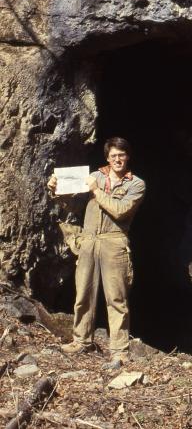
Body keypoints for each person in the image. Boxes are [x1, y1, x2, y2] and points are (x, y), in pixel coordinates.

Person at [48, 137, 145, 365]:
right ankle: (81, 341)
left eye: (121, 155)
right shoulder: (95, 176)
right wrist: (55, 189)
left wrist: (96, 191)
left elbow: (121, 210)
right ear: (107, 158)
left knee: (116, 298)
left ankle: (119, 350)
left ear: (127, 156)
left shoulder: (136, 184)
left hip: (115, 242)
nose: (117, 159)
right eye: (113, 156)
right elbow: (71, 204)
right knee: (83, 293)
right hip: (89, 240)